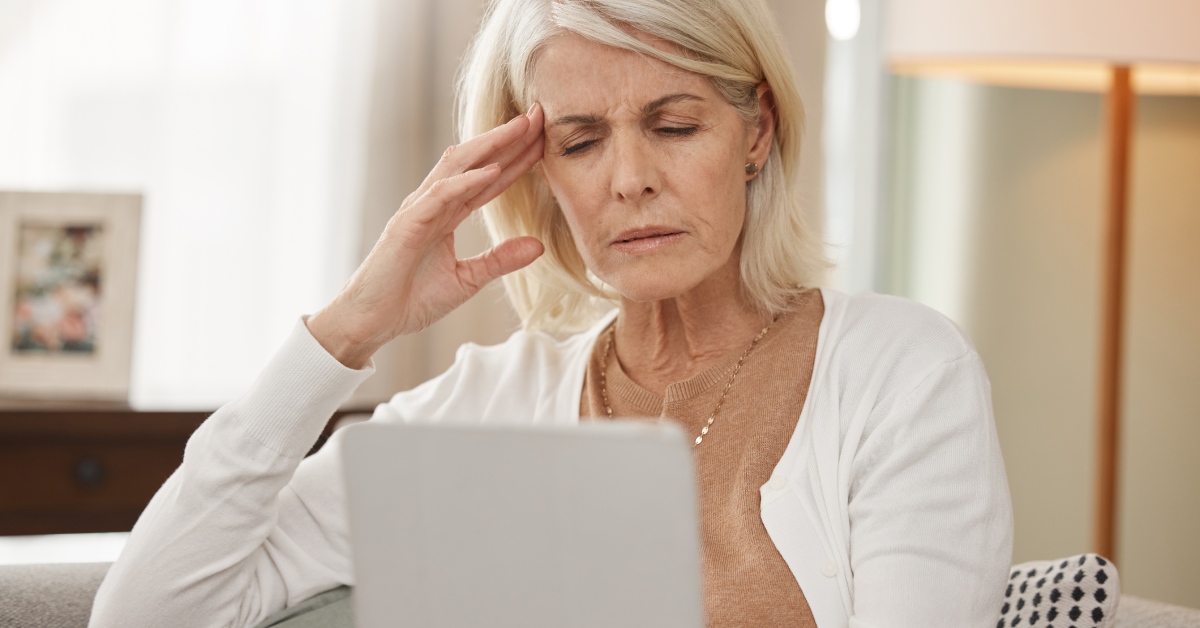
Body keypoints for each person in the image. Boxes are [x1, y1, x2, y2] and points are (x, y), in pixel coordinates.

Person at [90, 0, 1013, 626]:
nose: (629, 179)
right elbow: (150, 610)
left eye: (675, 124)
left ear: (756, 132)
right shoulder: (488, 401)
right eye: (579, 141)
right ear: (541, 172)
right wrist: (348, 330)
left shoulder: (903, 370)